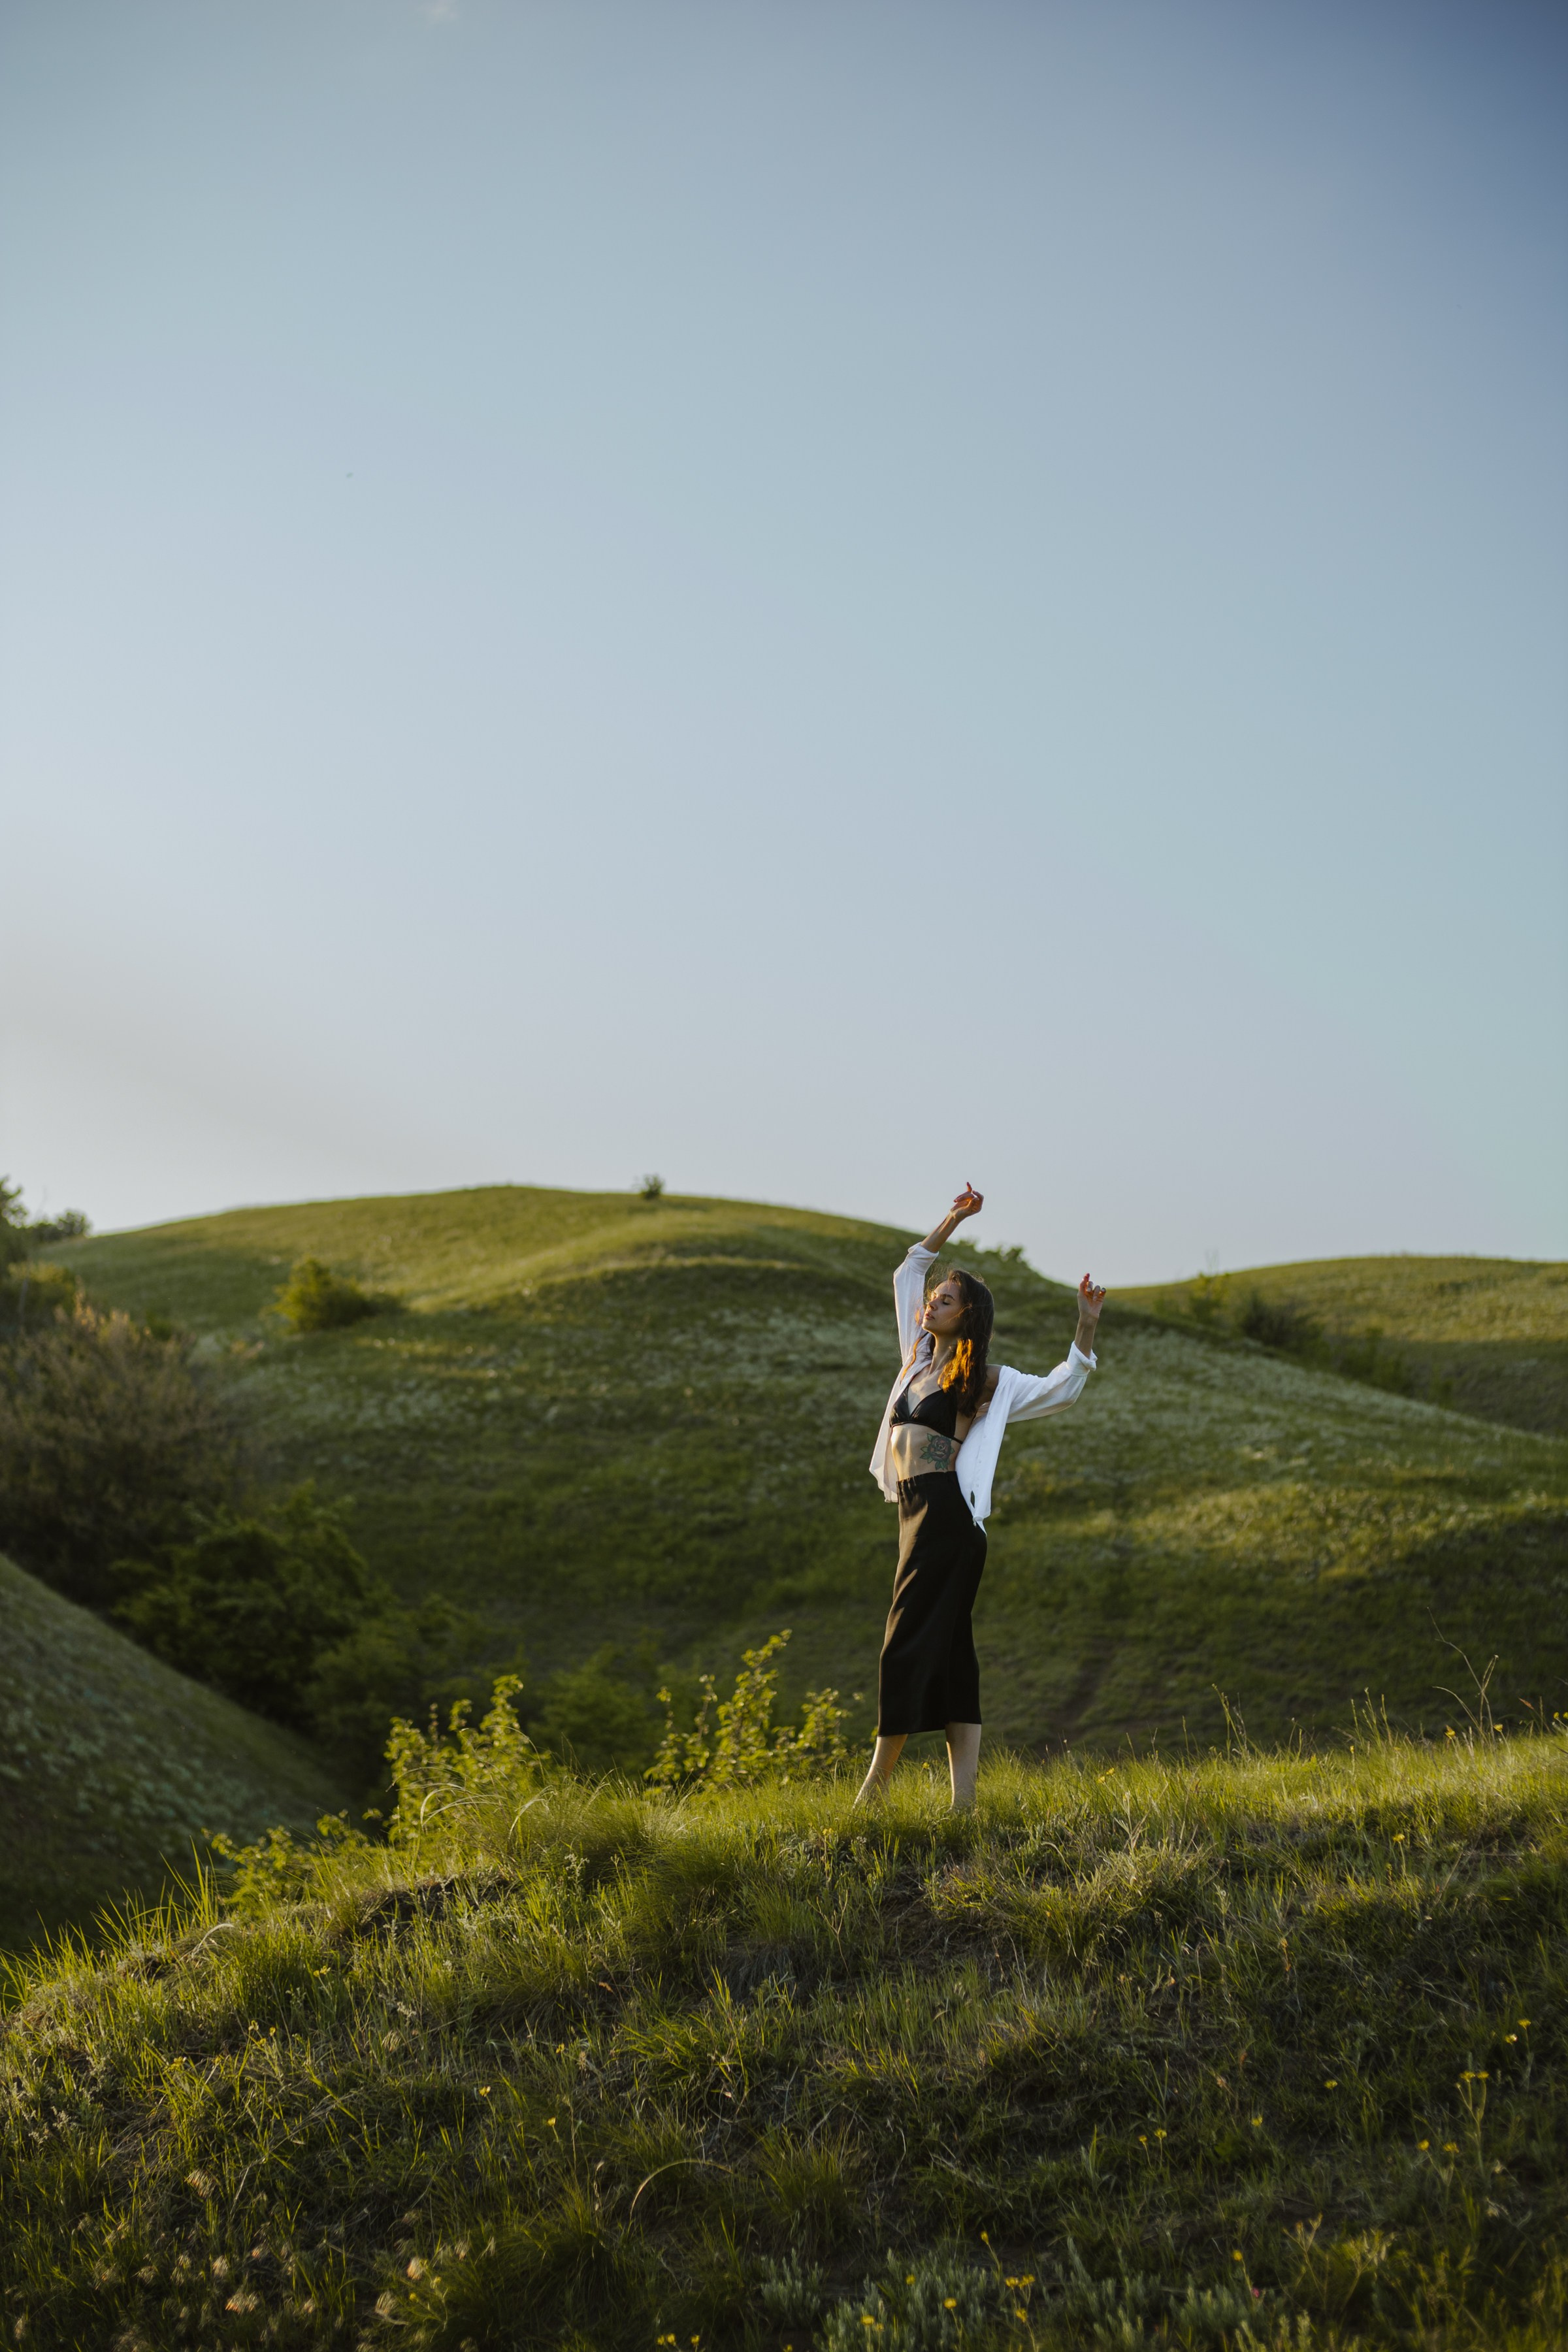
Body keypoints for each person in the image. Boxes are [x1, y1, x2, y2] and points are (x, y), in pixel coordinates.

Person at [854, 1184, 1105, 1812]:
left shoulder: (985, 1381)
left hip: (947, 1521)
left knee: (902, 1646)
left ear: (966, 1315)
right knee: (952, 1656)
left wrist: (1086, 1324)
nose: (931, 1304)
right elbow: (908, 1270)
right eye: (933, 1298)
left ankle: (872, 1796)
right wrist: (953, 1219)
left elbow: (1062, 1389)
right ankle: (963, 1807)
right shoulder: (914, 1362)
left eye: (945, 1300)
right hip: (915, 1518)